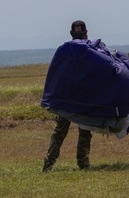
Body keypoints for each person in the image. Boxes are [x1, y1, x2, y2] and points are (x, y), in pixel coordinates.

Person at [42, 20, 93, 172]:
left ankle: (48, 164)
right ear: (86, 33)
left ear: (71, 33)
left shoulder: (64, 51)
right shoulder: (92, 51)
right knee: (84, 131)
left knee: (60, 132)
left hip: (65, 99)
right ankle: (83, 164)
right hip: (82, 99)